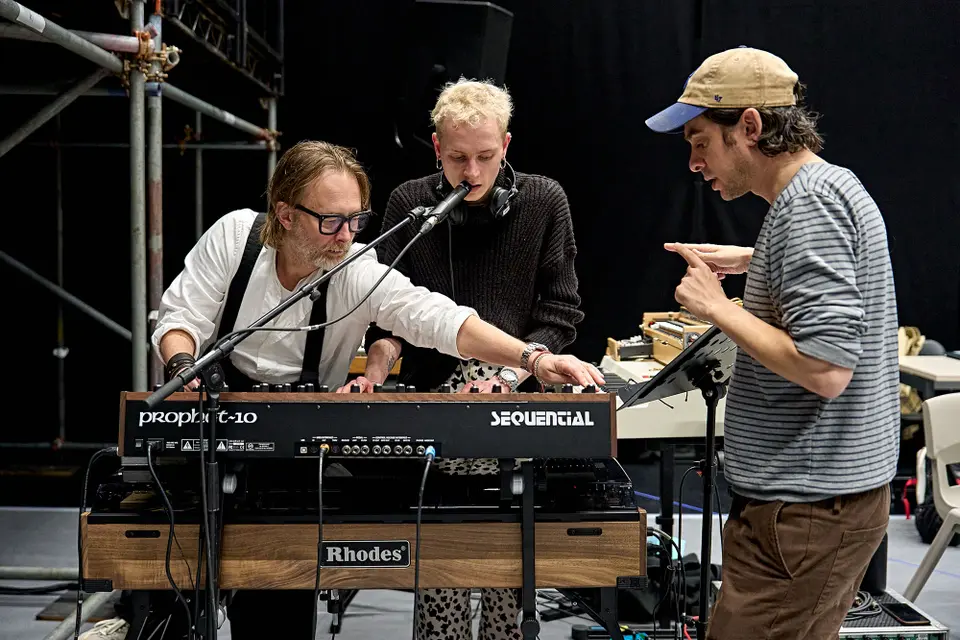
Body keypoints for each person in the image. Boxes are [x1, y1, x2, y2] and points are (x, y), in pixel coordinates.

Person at [81, 139, 602, 640]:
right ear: (286, 215)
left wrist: (534, 358)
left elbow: (441, 320)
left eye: (356, 220)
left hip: (292, 455)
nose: (346, 235)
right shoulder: (235, 237)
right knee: (168, 593)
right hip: (213, 416)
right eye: (331, 220)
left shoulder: (355, 269)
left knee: (276, 605)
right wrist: (184, 365)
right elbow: (180, 318)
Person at [645, 47, 899, 639]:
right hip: (816, 504)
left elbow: (825, 368)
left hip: (806, 510)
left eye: (701, 141)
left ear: (751, 127)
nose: (694, 162)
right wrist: (757, 260)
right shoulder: (828, 187)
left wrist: (716, 307)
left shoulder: (808, 209)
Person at [349, 78, 584, 639]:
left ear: (506, 145)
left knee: (508, 578)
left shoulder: (545, 200)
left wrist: (506, 375)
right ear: (436, 148)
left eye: (485, 156)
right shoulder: (409, 205)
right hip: (437, 411)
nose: (472, 172)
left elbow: (560, 312)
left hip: (517, 398)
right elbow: (388, 315)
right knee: (443, 568)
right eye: (457, 158)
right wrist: (374, 370)